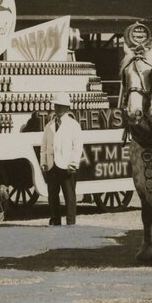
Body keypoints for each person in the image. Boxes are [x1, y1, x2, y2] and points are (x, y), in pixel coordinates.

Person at [41, 92, 83, 226]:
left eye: (60, 106)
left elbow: (77, 146)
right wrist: (44, 162)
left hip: (66, 166)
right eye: (56, 106)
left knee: (69, 197)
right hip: (52, 166)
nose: (57, 109)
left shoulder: (73, 125)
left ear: (67, 108)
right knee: (52, 196)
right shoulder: (49, 126)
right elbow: (44, 146)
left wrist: (74, 163)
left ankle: (71, 223)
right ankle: (55, 221)